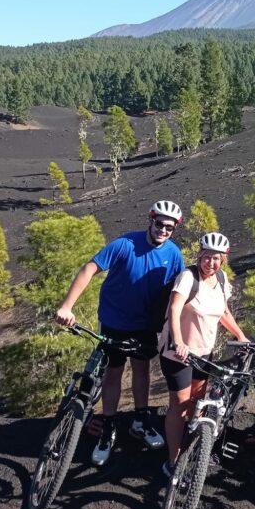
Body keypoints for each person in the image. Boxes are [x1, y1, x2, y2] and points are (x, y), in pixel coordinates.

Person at [55, 199, 186, 466]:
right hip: (115, 320)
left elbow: (181, 291)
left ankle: (140, 421)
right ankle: (108, 426)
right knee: (113, 372)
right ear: (150, 220)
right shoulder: (125, 244)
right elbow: (89, 269)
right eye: (159, 224)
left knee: (142, 370)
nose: (163, 230)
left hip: (146, 324)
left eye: (169, 228)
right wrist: (67, 306)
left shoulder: (173, 254)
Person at [159, 232, 247, 477]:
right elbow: (175, 309)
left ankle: (192, 449)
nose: (210, 262)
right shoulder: (188, 277)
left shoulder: (220, 278)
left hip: (203, 352)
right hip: (178, 353)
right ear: (199, 255)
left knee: (197, 404)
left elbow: (223, 312)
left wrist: (240, 335)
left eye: (216, 258)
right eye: (206, 257)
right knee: (180, 406)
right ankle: (173, 461)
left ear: (223, 260)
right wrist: (178, 341)